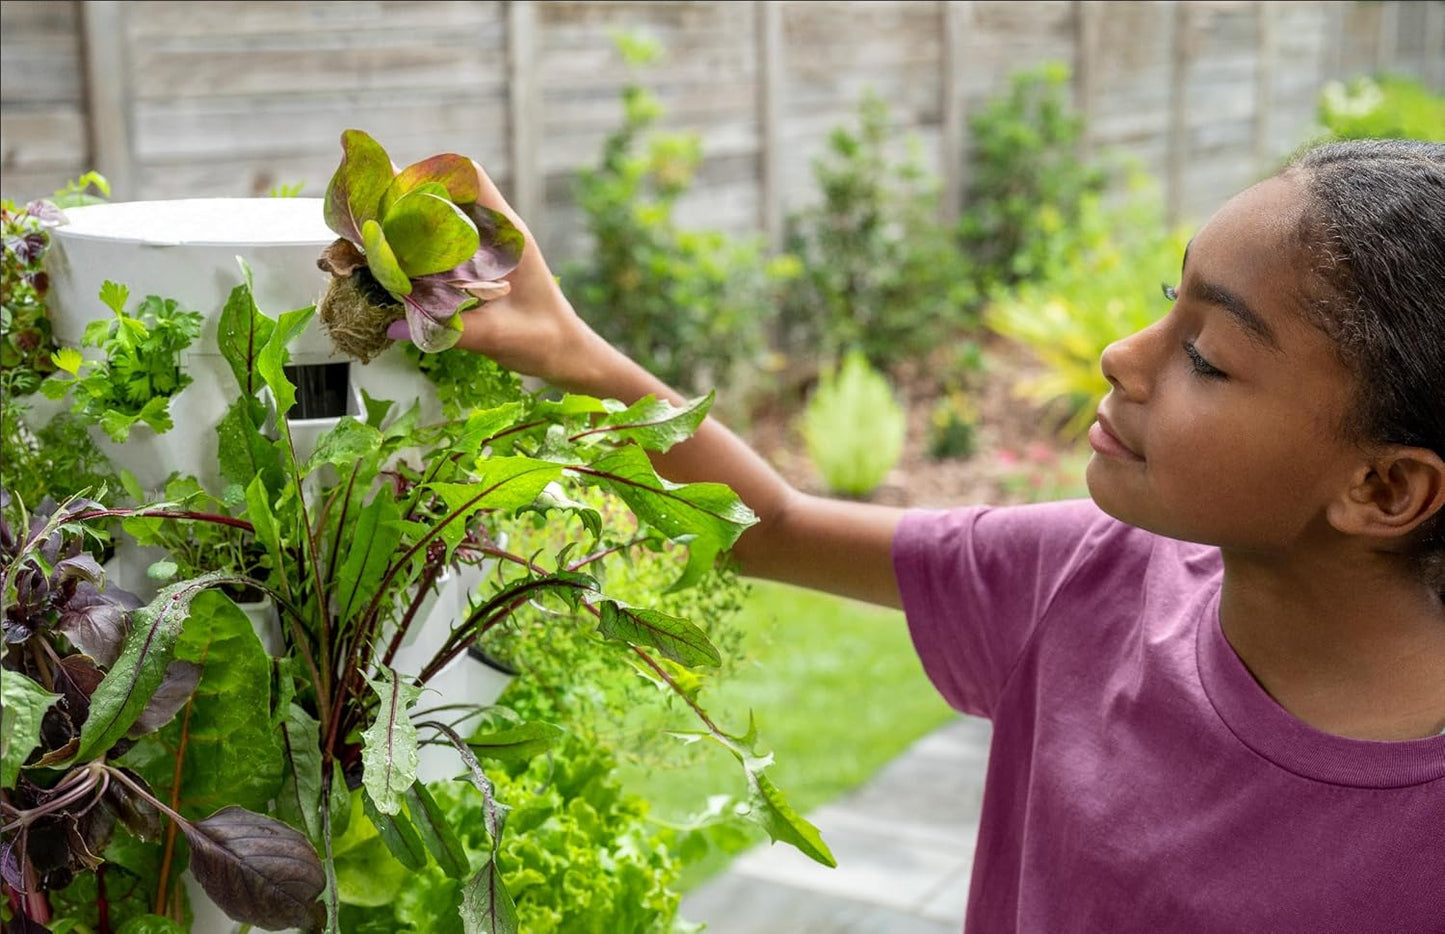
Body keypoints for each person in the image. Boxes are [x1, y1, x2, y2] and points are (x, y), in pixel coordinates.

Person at [440, 139, 1445, 931]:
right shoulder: (1083, 576)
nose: (1118, 355)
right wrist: (569, 350)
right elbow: (773, 526)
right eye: (1160, 302)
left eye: (1207, 357)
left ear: (1385, 485)